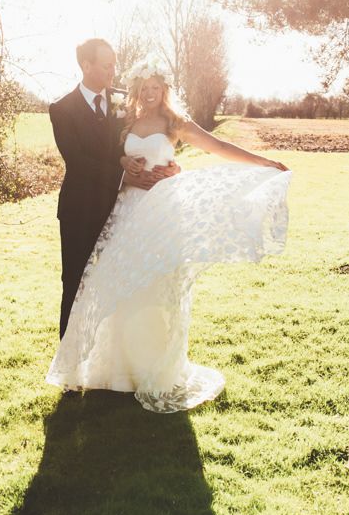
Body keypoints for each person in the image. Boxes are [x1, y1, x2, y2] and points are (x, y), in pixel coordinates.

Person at [46, 54, 292, 413]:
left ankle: (153, 371)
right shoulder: (125, 119)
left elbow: (218, 147)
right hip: (126, 212)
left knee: (157, 291)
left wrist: (263, 161)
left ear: (165, 89)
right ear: (136, 90)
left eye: (155, 88)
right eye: (143, 88)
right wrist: (121, 164)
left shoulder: (176, 122)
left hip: (161, 211)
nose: (149, 94)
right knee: (120, 286)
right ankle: (116, 373)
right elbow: (100, 153)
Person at [49, 39, 179, 340]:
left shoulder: (125, 102)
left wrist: (171, 166)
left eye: (114, 64)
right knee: (76, 282)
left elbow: (153, 137)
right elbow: (78, 160)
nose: (113, 70)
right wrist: (125, 177)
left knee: (123, 282)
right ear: (86, 66)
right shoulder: (62, 109)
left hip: (123, 212)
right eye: (107, 65)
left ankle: (114, 357)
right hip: (80, 211)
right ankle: (68, 367)